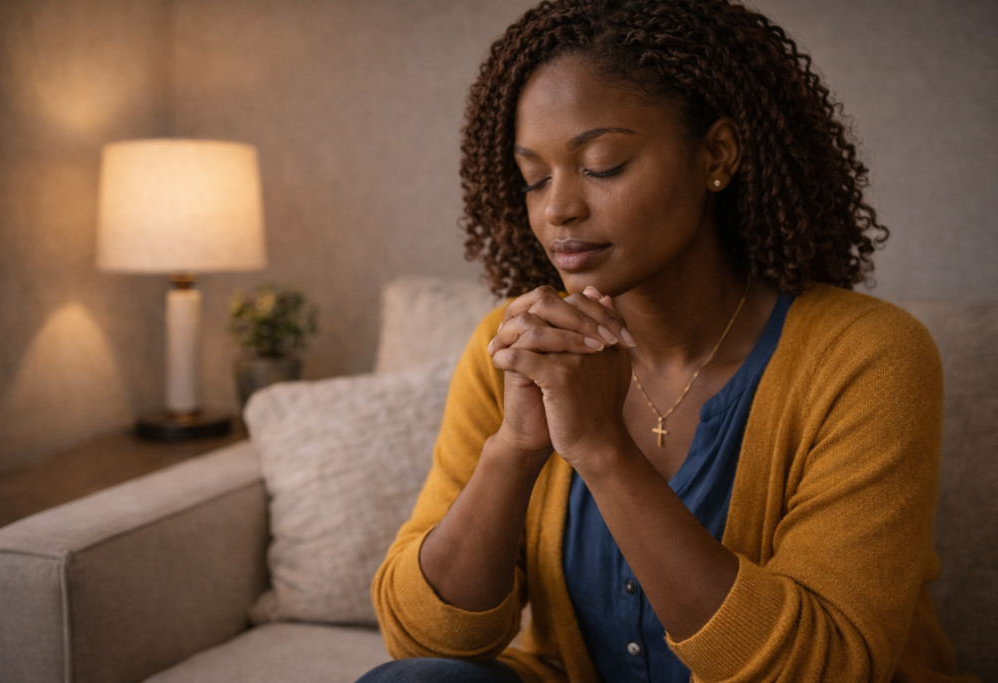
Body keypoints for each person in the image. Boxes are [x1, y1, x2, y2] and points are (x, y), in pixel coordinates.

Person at [359, 1, 976, 681]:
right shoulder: (517, 345)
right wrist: (514, 450)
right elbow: (421, 634)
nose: (557, 208)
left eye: (602, 165)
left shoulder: (869, 356)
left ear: (716, 154)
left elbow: (823, 667)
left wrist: (601, 450)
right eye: (534, 177)